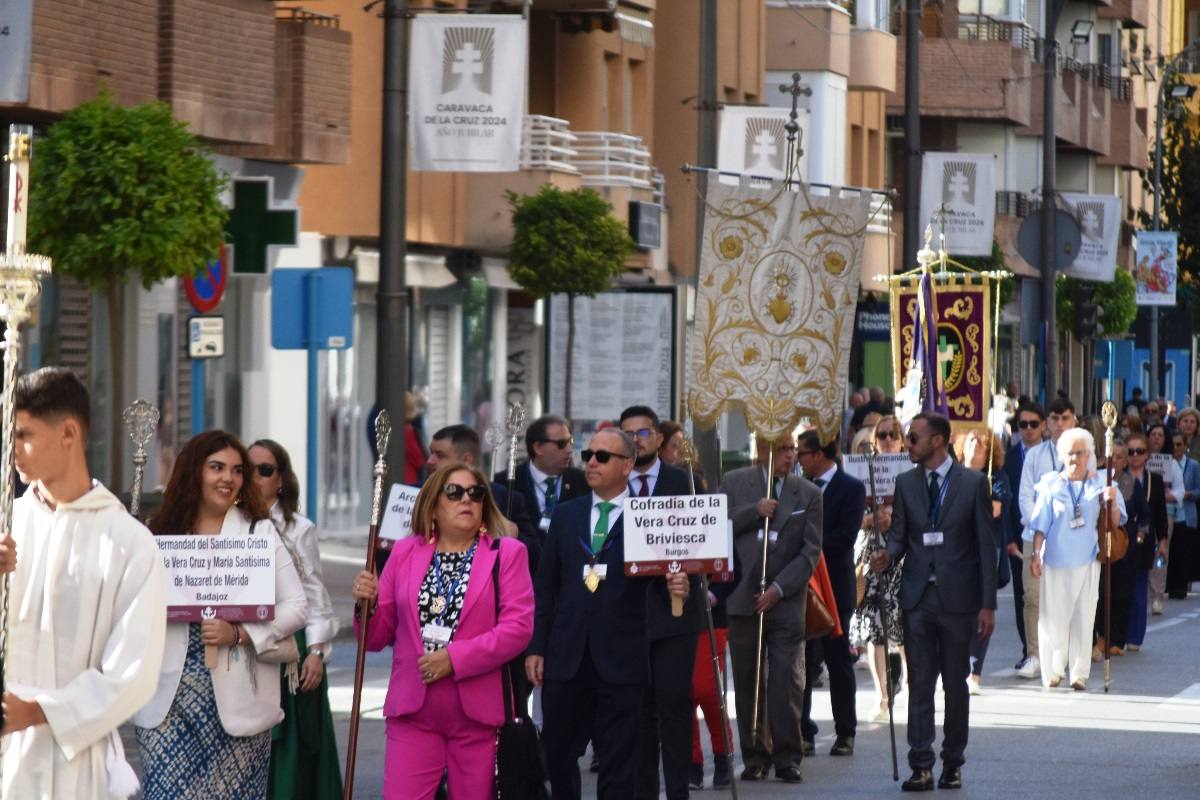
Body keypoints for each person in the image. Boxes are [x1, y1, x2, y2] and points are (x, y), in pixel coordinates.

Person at [0, 367, 167, 799]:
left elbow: (133, 673)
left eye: (24, 435)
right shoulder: (8, 524)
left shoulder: (130, 543)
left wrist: (38, 712)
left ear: (69, 433)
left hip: (77, 769)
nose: (12, 449)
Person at [134, 430, 308, 799]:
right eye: (216, 467)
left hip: (237, 706)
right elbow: (130, 611)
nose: (227, 478)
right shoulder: (157, 533)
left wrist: (242, 633)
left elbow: (297, 607)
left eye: (237, 470)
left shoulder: (258, 533)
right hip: (167, 706)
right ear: (193, 472)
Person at [351, 461, 533, 798]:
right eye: (455, 492)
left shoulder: (506, 553)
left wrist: (454, 658)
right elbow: (375, 638)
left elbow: (517, 628)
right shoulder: (405, 552)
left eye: (476, 494)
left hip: (476, 714)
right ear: (433, 505)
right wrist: (368, 606)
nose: (467, 500)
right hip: (413, 710)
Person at [526, 429, 690, 799]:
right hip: (566, 657)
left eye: (603, 456)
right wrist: (537, 646)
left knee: (619, 763)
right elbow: (546, 587)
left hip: (622, 658)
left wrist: (676, 588)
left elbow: (665, 587)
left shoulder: (645, 518)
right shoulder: (566, 515)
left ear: (628, 465)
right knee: (558, 754)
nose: (592, 462)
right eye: (589, 455)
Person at [871, 412, 996, 792]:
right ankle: (921, 764)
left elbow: (984, 547)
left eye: (914, 439)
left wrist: (987, 603)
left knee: (955, 686)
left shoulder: (973, 483)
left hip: (959, 600)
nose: (908, 445)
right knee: (920, 684)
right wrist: (887, 555)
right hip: (917, 598)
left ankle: (952, 762)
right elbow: (900, 535)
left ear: (938, 441)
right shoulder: (906, 482)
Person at [721, 434, 822, 784]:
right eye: (783, 450)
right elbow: (719, 526)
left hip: (785, 600)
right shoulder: (734, 482)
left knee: (785, 679)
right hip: (742, 598)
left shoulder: (808, 493)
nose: (790, 456)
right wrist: (755, 512)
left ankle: (787, 755)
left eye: (793, 449)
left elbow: (810, 552)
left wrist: (780, 589)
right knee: (748, 680)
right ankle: (754, 756)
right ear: (761, 451)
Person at [621, 406, 705, 800]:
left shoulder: (684, 481)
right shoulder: (613, 485)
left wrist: (690, 575)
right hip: (629, 614)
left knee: (673, 704)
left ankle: (677, 791)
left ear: (657, 437)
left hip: (676, 610)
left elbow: (702, 541)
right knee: (638, 710)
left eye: (642, 433)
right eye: (628, 434)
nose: (636, 440)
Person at [250, 440, 342, 800]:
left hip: (291, 645)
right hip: (245, 645)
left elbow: (314, 592)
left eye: (266, 470)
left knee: (293, 746)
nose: (256, 477)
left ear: (282, 480)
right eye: (249, 468)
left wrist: (317, 651)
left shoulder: (298, 528)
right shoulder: (232, 524)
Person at [1029, 428, 1125, 690]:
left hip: (1088, 559)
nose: (1075, 458)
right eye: (1070, 453)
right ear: (1062, 455)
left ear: (1089, 455)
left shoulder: (1102, 484)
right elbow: (1039, 526)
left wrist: (1112, 502)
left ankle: (1079, 673)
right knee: (1053, 618)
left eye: (1080, 453)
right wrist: (1036, 554)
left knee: (1084, 616)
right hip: (1055, 560)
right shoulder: (1051, 484)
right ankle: (1053, 670)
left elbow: (1115, 523)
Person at [796, 429, 863, 757]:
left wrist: (807, 548)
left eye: (803, 454)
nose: (799, 459)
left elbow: (844, 537)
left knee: (838, 661)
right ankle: (803, 730)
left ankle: (845, 731)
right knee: (804, 662)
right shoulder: (798, 487)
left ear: (819, 454)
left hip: (834, 586)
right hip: (801, 586)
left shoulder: (851, 488)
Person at [848, 415, 907, 722]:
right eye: (882, 434)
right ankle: (883, 695)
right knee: (875, 630)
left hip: (903, 556)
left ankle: (909, 687)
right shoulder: (861, 473)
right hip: (870, 556)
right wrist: (873, 519)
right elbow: (850, 518)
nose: (887, 439)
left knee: (906, 625)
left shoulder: (911, 472)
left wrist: (895, 518)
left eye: (893, 434)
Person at [1017, 397, 1078, 679]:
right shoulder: (1035, 455)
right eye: (1054, 418)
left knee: (1063, 597)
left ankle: (1060, 654)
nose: (1059, 424)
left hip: (1069, 536)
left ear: (1073, 421)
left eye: (1065, 418)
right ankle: (1033, 655)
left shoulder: (1082, 454)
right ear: (1048, 423)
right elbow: (1025, 496)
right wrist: (1041, 527)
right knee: (1032, 596)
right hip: (1036, 536)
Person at [427, 424, 539, 568]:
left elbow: (535, 554)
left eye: (440, 455)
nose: (430, 461)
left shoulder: (503, 498)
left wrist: (512, 536)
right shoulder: (412, 492)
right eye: (431, 453)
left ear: (466, 460)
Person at [954, 429, 1012, 695]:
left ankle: (974, 672)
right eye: (971, 440)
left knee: (981, 608)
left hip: (986, 549)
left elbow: (994, 509)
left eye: (981, 442)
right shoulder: (951, 475)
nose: (975, 445)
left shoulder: (997, 477)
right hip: (955, 549)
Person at [494, 413, 588, 545]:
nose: (569, 450)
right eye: (561, 444)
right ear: (538, 447)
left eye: (570, 442)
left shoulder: (582, 481)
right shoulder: (506, 483)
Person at [1004, 401, 1045, 670]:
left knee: (1046, 595)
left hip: (1046, 534)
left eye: (1033, 424)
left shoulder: (1051, 455)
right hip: (1019, 535)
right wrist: (1008, 537)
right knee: (1024, 595)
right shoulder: (1009, 457)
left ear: (1042, 425)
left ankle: (1048, 649)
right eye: (1023, 425)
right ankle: (1028, 649)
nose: (1028, 429)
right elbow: (1006, 501)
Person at [1124, 435, 1169, 651]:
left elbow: (1160, 512)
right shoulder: (1120, 477)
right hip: (1122, 539)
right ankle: (1118, 634)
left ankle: (1135, 636)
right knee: (1123, 588)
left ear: (1147, 455)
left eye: (1139, 451)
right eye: (1131, 451)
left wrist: (1163, 540)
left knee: (1140, 588)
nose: (1135, 456)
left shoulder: (1155, 480)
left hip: (1145, 540)